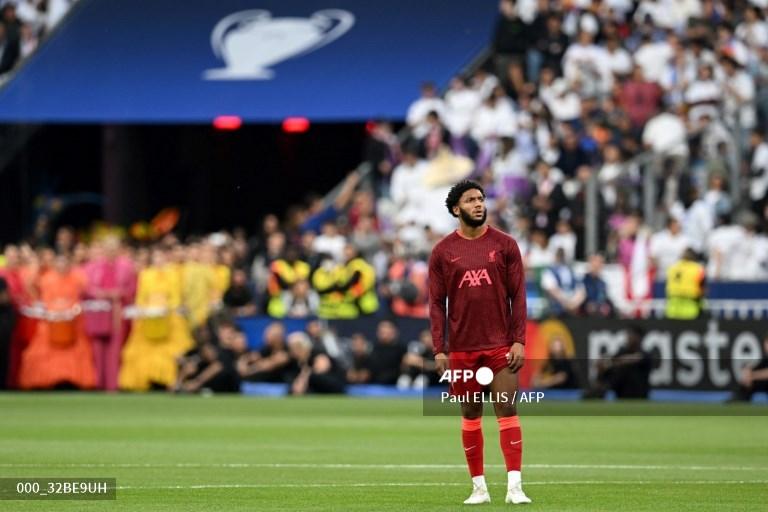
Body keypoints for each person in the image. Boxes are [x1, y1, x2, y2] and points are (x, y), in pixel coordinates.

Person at [428, 180, 530, 504]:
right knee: (471, 413)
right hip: (461, 348)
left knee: (507, 406)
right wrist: (439, 348)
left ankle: (515, 487)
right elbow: (435, 303)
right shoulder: (442, 252)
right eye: (471, 199)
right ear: (456, 208)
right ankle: (479, 488)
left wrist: (519, 341)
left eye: (481, 199)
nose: (478, 204)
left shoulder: (505, 245)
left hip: (500, 344)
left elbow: (519, 296)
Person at [665, 248, 706, 320]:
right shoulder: (698, 268)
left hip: (672, 308)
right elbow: (702, 289)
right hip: (690, 308)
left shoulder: (672, 267)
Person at [729, 334, 768, 402]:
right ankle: (739, 401)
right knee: (747, 382)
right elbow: (755, 368)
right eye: (766, 342)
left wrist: (752, 376)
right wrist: (748, 373)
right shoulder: (765, 359)